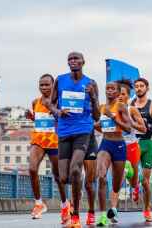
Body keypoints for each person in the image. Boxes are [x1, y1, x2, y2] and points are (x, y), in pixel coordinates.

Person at [50, 52, 100, 226]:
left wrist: (93, 97)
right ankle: (74, 196)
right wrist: (58, 112)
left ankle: (76, 215)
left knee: (76, 169)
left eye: (76, 58)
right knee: (63, 178)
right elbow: (51, 103)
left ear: (83, 62)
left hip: (83, 130)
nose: (73, 61)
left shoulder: (91, 83)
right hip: (64, 132)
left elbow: (97, 115)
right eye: (70, 59)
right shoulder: (60, 80)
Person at [25, 74, 67, 220]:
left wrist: (56, 113)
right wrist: (31, 117)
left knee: (58, 176)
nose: (44, 87)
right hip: (38, 140)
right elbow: (39, 119)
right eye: (41, 85)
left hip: (54, 141)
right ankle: (39, 203)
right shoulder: (35, 102)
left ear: (53, 85)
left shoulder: (59, 101)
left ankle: (64, 205)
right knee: (32, 168)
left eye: (47, 85)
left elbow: (63, 118)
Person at [95, 81, 132, 226]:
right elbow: (99, 126)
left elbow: (128, 128)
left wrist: (113, 117)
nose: (109, 91)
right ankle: (103, 215)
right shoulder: (102, 107)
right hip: (105, 144)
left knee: (116, 185)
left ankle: (113, 207)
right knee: (102, 177)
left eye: (112, 89)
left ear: (117, 92)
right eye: (107, 89)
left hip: (119, 146)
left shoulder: (121, 107)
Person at [131, 77, 152, 222]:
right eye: (136, 86)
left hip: (147, 144)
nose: (139, 88)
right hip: (133, 143)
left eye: (141, 86)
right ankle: (134, 187)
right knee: (130, 172)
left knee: (145, 181)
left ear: (147, 88)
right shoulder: (130, 105)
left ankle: (147, 209)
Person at [117, 79, 147, 207]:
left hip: (132, 146)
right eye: (118, 93)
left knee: (133, 180)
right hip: (117, 147)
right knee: (117, 178)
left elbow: (144, 129)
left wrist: (131, 122)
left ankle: (136, 187)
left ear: (128, 96)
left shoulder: (132, 109)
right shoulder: (110, 109)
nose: (119, 96)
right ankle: (113, 210)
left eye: (123, 94)